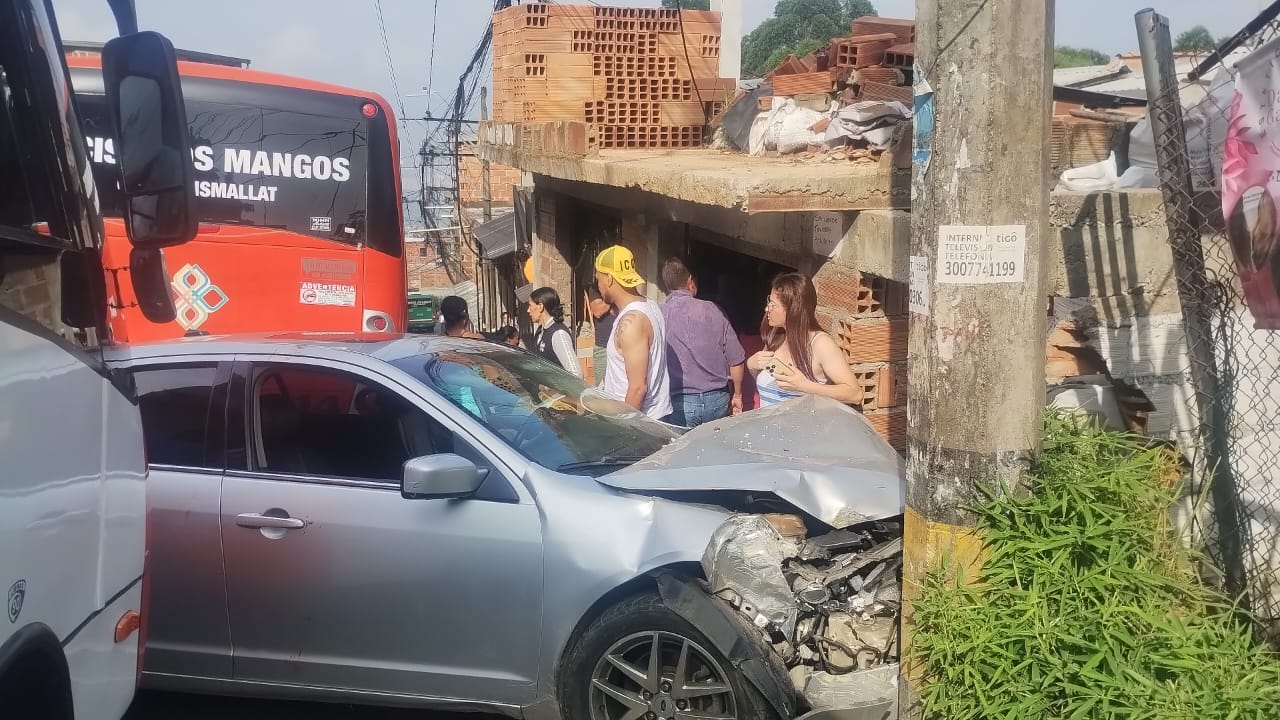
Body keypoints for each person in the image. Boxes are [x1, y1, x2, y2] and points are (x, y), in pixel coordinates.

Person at [747, 272, 861, 407]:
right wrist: (752, 366)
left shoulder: (820, 344)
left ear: (794, 309)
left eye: (773, 305)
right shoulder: (776, 338)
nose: (767, 309)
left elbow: (854, 394)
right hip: (766, 426)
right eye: (769, 302)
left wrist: (806, 386)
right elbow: (767, 387)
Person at [660, 257, 746, 427]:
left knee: (682, 452)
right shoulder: (713, 310)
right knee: (714, 451)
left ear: (666, 286)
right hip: (717, 400)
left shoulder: (659, 314)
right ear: (690, 280)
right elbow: (736, 359)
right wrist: (738, 395)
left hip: (679, 402)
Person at [593, 245, 672, 420]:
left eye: (598, 279)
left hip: (639, 425)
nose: (598, 286)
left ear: (609, 279)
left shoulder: (632, 323)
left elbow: (638, 388)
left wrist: (625, 431)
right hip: (654, 418)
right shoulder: (651, 306)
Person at [525, 286, 582, 377]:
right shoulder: (540, 331)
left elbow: (576, 374)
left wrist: (555, 390)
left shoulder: (558, 334)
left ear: (540, 307)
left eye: (530, 305)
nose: (528, 310)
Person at [585, 285, 615, 379]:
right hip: (603, 346)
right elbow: (598, 311)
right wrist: (617, 297)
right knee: (601, 389)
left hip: (625, 345)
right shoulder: (596, 285)